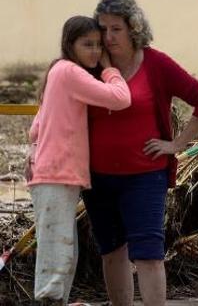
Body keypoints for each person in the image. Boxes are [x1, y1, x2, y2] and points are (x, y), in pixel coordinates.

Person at [82, 0, 198, 306]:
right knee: (112, 251)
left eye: (116, 28)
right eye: (102, 28)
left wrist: (177, 144)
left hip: (144, 176)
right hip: (97, 177)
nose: (107, 36)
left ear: (134, 28)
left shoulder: (156, 64)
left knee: (149, 253)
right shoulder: (90, 66)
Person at [26, 16, 132, 305]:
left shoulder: (58, 73)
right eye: (88, 44)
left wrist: (35, 153)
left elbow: (36, 127)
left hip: (54, 173)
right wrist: (110, 69)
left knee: (63, 249)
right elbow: (121, 98)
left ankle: (54, 299)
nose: (95, 51)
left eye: (99, 45)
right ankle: (50, 300)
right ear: (69, 45)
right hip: (57, 174)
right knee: (58, 251)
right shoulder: (70, 72)